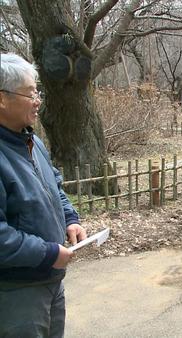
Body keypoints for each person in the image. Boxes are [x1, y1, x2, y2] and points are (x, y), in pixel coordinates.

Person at [0, 53, 87, 336]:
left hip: (50, 279)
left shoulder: (32, 140)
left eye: (38, 92)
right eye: (30, 93)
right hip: (17, 290)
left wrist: (70, 218)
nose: (38, 101)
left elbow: (54, 188)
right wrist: (47, 252)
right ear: (2, 98)